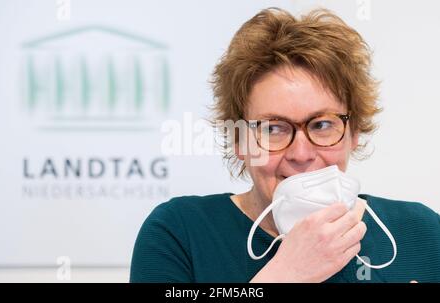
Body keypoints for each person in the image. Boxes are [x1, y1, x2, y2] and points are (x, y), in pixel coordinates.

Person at [130, 7, 440, 283]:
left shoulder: (421, 232)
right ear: (239, 140)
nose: (301, 154)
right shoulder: (180, 234)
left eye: (321, 125)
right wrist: (288, 274)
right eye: (274, 128)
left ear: (353, 132)